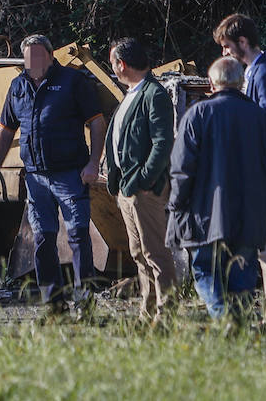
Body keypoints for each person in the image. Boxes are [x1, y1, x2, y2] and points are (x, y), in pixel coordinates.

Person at [0, 34, 107, 315]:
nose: (34, 61)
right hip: (36, 178)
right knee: (43, 239)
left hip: (70, 175)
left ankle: (84, 301)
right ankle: (53, 304)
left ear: (51, 56)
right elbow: (5, 130)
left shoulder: (72, 82)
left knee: (78, 234)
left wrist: (93, 164)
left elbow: (98, 124)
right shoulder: (17, 87)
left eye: (39, 55)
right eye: (29, 56)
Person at [167, 57, 266, 322]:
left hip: (205, 215)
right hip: (250, 216)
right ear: (242, 83)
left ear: (211, 83)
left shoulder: (196, 116)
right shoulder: (261, 118)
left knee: (205, 270)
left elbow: (181, 170)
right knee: (243, 275)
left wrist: (176, 206)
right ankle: (239, 329)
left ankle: (223, 318)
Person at [215, 13, 266, 327]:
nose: (224, 53)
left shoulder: (262, 74)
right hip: (264, 175)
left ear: (242, 42)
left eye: (226, 46)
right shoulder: (256, 72)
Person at [104, 38, 177, 320]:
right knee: (138, 253)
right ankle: (147, 314)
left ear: (122, 64)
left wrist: (144, 181)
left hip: (144, 191)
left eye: (112, 63)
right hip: (127, 189)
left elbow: (162, 143)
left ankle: (166, 315)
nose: (112, 68)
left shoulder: (153, 94)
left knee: (155, 253)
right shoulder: (133, 93)